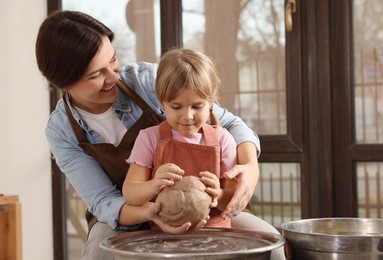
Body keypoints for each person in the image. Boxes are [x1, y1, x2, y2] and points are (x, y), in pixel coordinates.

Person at [35, 10, 284, 260]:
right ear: (65, 84)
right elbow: (103, 201)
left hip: (211, 213)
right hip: (129, 217)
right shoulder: (62, 131)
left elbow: (229, 123)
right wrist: (154, 212)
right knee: (99, 249)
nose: (113, 77)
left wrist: (251, 167)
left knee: (271, 245)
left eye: (113, 60)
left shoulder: (147, 80)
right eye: (96, 74)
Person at [123, 48, 237, 229]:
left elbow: (236, 200)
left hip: (215, 234)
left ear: (211, 102)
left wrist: (220, 194)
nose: (188, 116)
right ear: (162, 102)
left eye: (197, 106)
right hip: (164, 234)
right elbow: (130, 193)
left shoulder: (223, 140)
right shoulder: (149, 138)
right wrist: (153, 186)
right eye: (176, 107)